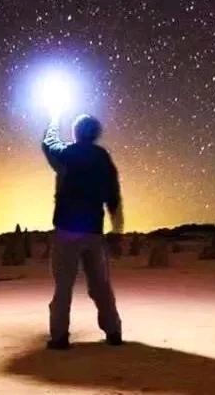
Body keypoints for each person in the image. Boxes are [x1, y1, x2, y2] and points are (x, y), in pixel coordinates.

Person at [41, 111, 123, 349]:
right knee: (101, 285)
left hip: (67, 230)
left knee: (63, 287)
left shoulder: (68, 154)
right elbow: (114, 198)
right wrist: (117, 229)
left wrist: (54, 121)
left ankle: (59, 337)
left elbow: (50, 144)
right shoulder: (103, 159)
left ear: (76, 132)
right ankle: (113, 331)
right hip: (94, 233)